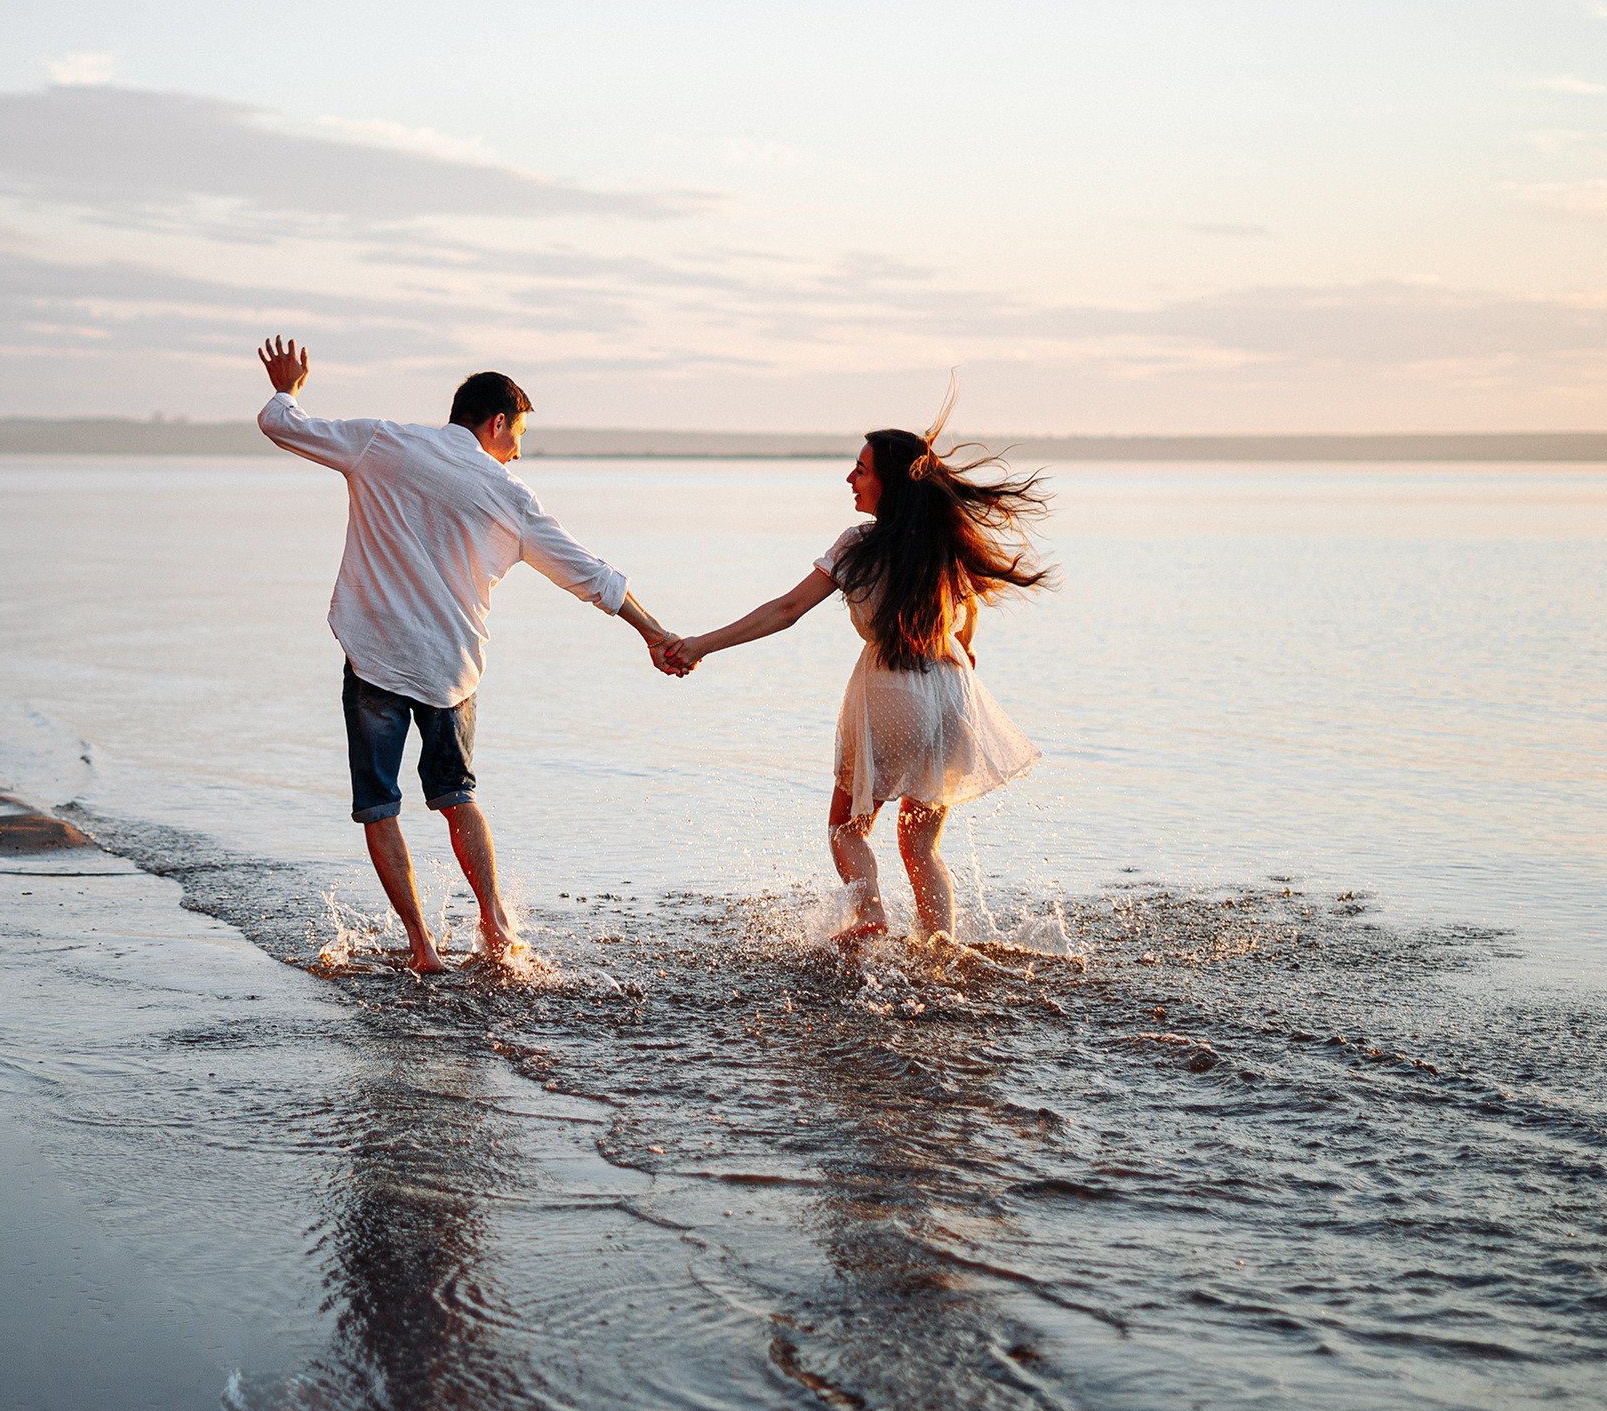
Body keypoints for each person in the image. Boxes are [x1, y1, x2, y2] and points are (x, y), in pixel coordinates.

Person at [255, 336, 683, 973]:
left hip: (374, 655)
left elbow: (278, 423)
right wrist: (653, 631)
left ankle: (423, 948)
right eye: (520, 433)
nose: (519, 449)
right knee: (456, 796)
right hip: (449, 668)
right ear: (498, 421)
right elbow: (589, 574)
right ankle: (497, 925)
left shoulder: (382, 442)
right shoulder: (509, 494)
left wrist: (289, 386)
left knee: (378, 806)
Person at [664, 396, 1050, 945]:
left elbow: (786, 610)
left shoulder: (859, 546)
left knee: (846, 829)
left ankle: (870, 916)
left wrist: (702, 644)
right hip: (953, 693)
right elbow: (967, 622)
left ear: (889, 483)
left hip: (892, 690)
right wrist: (960, 650)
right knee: (921, 846)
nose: (850, 477)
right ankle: (939, 951)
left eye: (862, 469)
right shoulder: (944, 543)